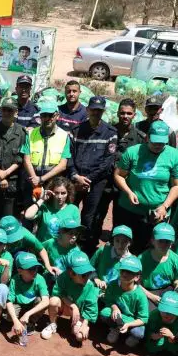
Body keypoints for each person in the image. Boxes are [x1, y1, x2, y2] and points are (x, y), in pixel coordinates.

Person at [114, 120, 178, 253]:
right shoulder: (133, 152)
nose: (158, 145)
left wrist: (165, 206)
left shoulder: (174, 156)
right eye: (155, 141)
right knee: (124, 247)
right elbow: (119, 175)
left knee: (151, 249)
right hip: (130, 210)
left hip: (157, 213)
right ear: (147, 137)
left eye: (162, 142)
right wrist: (129, 192)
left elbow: (177, 185)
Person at [67, 96, 118, 253]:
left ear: (103, 111)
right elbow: (69, 156)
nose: (96, 113)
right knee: (70, 212)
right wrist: (76, 176)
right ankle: (67, 243)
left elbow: (108, 162)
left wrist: (89, 179)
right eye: (93, 109)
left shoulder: (110, 132)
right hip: (76, 179)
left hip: (96, 182)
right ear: (87, 110)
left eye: (99, 110)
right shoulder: (76, 131)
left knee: (89, 216)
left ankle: (84, 248)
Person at [21, 101, 71, 204]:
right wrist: (35, 179)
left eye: (51, 115)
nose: (47, 118)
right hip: (32, 180)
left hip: (53, 182)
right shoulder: (30, 134)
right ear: (40, 116)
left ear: (57, 115)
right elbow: (26, 159)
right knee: (30, 212)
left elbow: (63, 165)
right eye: (44, 115)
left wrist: (41, 179)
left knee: (50, 213)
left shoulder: (64, 136)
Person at [0, 97, 26, 225]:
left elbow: (21, 157)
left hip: (12, 184)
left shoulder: (22, 132)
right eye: (4, 110)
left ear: (16, 112)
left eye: (10, 110)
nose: (7, 113)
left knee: (9, 221)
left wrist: (6, 173)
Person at [47, 250, 99, 342]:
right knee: (53, 301)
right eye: (83, 274)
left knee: (79, 337)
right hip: (65, 307)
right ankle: (52, 324)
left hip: (80, 313)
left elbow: (91, 308)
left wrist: (84, 325)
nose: (87, 276)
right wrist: (73, 305)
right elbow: (58, 293)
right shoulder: (63, 277)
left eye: (88, 272)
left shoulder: (90, 286)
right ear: (71, 273)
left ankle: (80, 325)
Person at [98, 255, 148, 347]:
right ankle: (115, 328)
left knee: (139, 332)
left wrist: (128, 324)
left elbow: (143, 319)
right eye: (123, 271)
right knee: (104, 312)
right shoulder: (113, 285)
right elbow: (108, 300)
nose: (124, 274)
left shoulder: (140, 295)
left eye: (129, 272)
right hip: (118, 316)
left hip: (131, 320)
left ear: (137, 277)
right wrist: (115, 307)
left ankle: (132, 336)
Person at [6, 252, 50, 343]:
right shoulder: (14, 280)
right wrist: (15, 321)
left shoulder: (40, 279)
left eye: (35, 268)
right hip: (19, 304)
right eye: (30, 269)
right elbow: (9, 301)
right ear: (19, 270)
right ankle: (18, 322)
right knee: (9, 317)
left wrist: (27, 314)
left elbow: (46, 301)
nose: (34, 271)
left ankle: (31, 322)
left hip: (32, 306)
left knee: (40, 300)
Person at [138, 222, 178, 309]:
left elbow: (177, 280)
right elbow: (135, 284)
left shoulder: (176, 259)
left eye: (167, 241)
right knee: (150, 313)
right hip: (148, 291)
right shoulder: (142, 259)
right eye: (160, 241)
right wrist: (152, 296)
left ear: (172, 243)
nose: (163, 245)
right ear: (152, 241)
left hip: (167, 289)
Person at [24, 176, 81, 243]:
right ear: (51, 192)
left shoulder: (73, 209)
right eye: (56, 193)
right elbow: (27, 216)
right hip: (43, 248)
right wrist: (41, 199)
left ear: (68, 193)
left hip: (62, 248)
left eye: (63, 193)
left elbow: (75, 233)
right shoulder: (44, 207)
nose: (60, 197)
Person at [144, 291, 178, 355]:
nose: (167, 315)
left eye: (171, 313)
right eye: (164, 311)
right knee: (151, 347)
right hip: (155, 343)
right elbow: (147, 333)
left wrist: (172, 337)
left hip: (170, 348)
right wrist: (156, 336)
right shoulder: (153, 316)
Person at [90, 225, 133, 290]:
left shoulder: (131, 261)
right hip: (96, 287)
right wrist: (96, 278)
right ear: (113, 240)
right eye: (117, 240)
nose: (120, 245)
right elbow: (89, 266)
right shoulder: (103, 250)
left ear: (129, 243)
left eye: (124, 241)